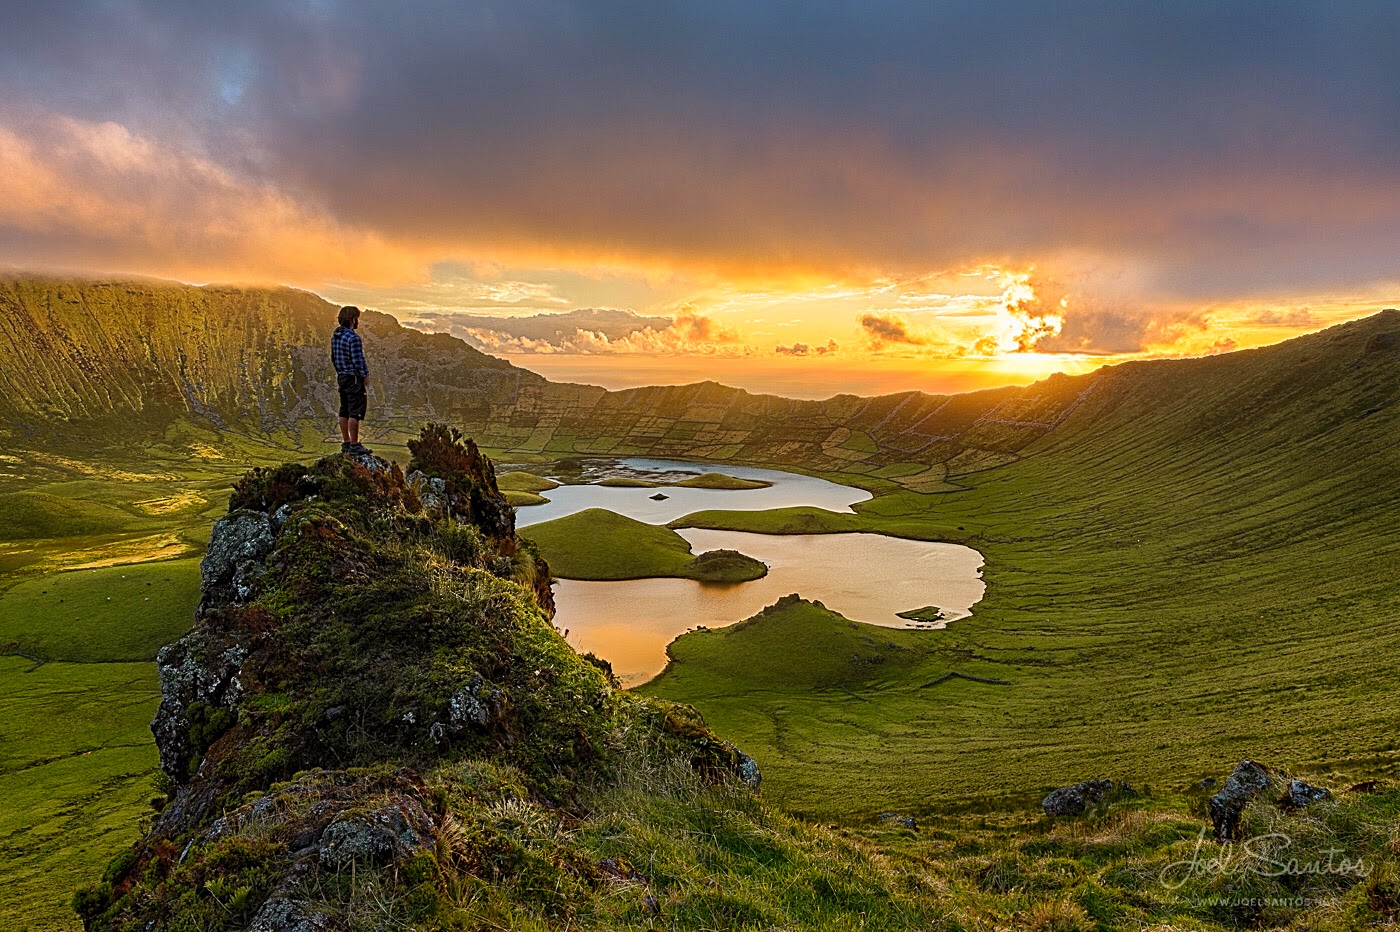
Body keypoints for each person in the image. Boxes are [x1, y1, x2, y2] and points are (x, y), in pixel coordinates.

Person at [331, 305, 371, 454]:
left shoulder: (336, 336)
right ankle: (355, 445)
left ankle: (346, 442)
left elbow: (333, 358)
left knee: (344, 410)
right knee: (355, 411)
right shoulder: (353, 338)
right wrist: (365, 376)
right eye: (357, 318)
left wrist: (340, 372)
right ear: (353, 319)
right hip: (353, 378)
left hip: (342, 377)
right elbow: (358, 360)